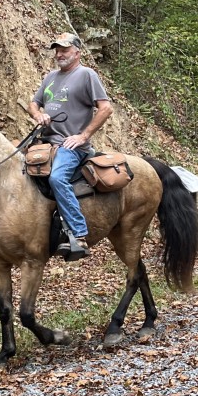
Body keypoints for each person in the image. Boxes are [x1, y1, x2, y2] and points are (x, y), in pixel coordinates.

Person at [28, 33, 113, 260]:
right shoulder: (51, 77)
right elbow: (33, 103)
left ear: (77, 52)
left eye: (64, 50)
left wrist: (83, 136)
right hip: (45, 143)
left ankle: (79, 234)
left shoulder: (86, 75)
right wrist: (39, 115)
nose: (59, 54)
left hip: (71, 146)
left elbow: (105, 108)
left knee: (57, 178)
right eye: (56, 50)